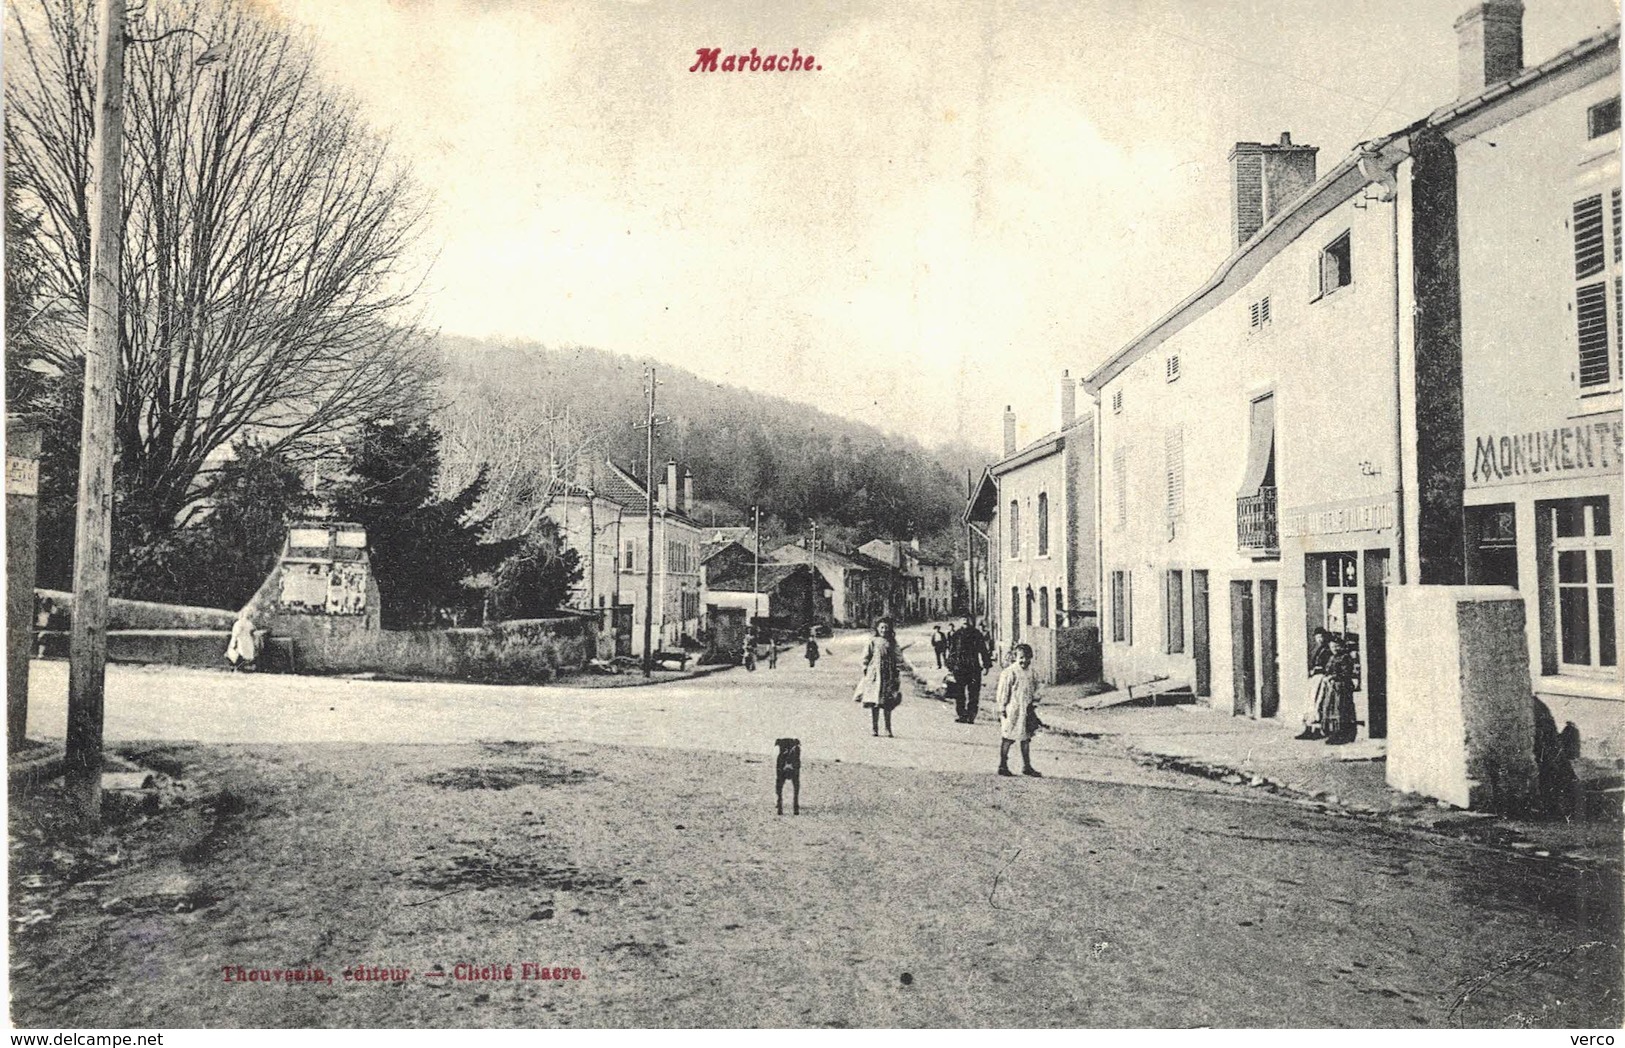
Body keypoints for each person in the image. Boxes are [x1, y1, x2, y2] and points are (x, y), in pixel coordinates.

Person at [996, 643, 1043, 777]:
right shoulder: (1009, 672)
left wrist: (1035, 700)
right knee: (1008, 737)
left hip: (1026, 709)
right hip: (1012, 709)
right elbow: (1003, 692)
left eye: (1027, 658)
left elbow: (1036, 687)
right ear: (1015, 657)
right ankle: (1003, 765)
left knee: (1026, 738)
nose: (1024, 661)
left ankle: (1026, 766)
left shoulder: (1032, 672)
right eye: (1021, 657)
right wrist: (1002, 708)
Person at [853, 618, 902, 737]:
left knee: (887, 703)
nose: (884, 630)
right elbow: (866, 656)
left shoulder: (892, 642)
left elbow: (898, 657)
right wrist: (865, 668)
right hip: (875, 675)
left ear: (890, 629)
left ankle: (887, 728)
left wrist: (897, 670)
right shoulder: (873, 641)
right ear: (877, 629)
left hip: (888, 675)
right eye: (882, 627)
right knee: (875, 702)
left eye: (886, 627)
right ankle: (874, 728)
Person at [946, 616, 992, 724]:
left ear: (972, 621)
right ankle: (962, 715)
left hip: (973, 668)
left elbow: (983, 650)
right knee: (959, 694)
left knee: (974, 694)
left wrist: (986, 665)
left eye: (967, 619)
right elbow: (952, 651)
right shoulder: (956, 635)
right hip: (959, 668)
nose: (965, 621)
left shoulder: (976, 634)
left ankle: (971, 716)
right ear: (960, 621)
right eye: (963, 619)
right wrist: (950, 667)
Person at [1295, 627, 1333, 740]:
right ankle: (1307, 728)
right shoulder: (1318, 649)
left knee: (1317, 703)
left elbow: (1327, 666)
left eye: (1322, 637)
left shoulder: (1328, 649)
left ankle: (1317, 729)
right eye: (1318, 637)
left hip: (1321, 678)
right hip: (1314, 679)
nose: (1320, 639)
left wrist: (1317, 669)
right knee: (1309, 702)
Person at [1321, 634, 1359, 745]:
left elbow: (1346, 672)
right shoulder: (1332, 657)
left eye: (1337, 646)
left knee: (1341, 710)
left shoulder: (1345, 657)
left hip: (1342, 687)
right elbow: (1328, 669)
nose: (1335, 649)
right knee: (1331, 709)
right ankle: (1333, 733)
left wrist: (1333, 677)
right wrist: (1327, 677)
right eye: (1332, 647)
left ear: (1341, 646)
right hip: (1332, 688)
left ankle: (1343, 734)